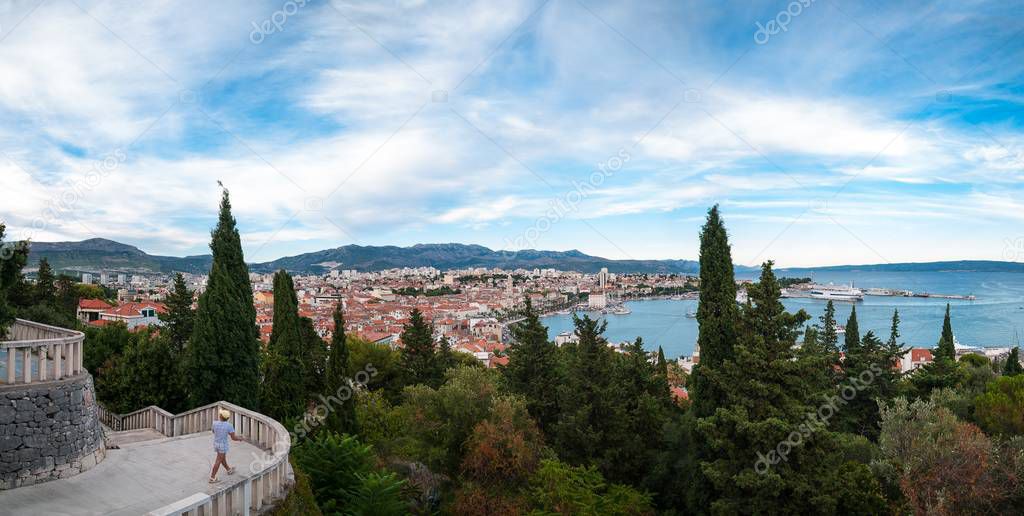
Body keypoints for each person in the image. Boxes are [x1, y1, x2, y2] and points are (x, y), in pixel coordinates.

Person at [209, 409, 243, 483]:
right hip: (223, 445)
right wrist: (240, 438)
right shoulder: (229, 426)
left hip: (216, 443)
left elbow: (213, 431)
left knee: (222, 458)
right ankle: (212, 477)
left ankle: (228, 469)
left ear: (220, 416)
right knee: (218, 460)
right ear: (227, 418)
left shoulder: (214, 423)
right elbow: (233, 438)